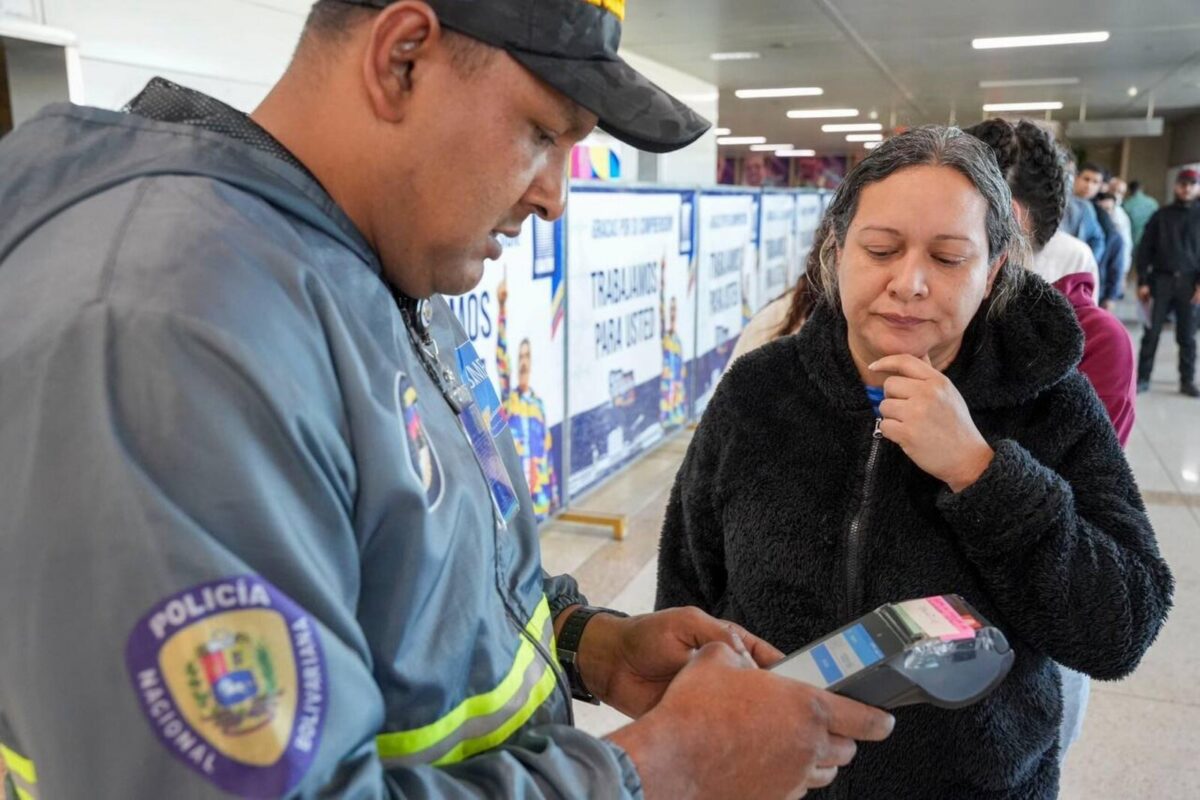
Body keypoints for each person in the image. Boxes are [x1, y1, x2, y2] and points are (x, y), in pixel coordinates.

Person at [0, 1, 897, 798]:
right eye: (544, 135)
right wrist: (668, 767)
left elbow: (413, 563)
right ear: (402, 59)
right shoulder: (172, 331)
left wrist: (587, 642)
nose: (554, 198)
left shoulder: (362, 269)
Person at [658, 126, 1173, 799]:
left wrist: (982, 473)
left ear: (993, 272)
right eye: (880, 249)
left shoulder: (1049, 404)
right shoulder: (761, 390)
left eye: (950, 257)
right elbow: (687, 594)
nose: (911, 283)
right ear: (836, 253)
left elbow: (1122, 628)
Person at [497, 279, 559, 520]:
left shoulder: (538, 406)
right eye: (520, 356)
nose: (523, 361)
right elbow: (501, 358)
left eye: (527, 356)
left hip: (540, 501)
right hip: (517, 506)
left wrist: (553, 492)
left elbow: (548, 450)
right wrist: (502, 308)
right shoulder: (508, 401)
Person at [1136, 168, 1200, 397]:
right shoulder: (1161, 215)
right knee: (1151, 332)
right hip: (1159, 281)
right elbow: (1144, 249)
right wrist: (1143, 281)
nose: (1187, 188)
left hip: (1190, 284)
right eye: (1183, 183)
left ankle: (1187, 380)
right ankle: (1142, 378)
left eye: (1192, 184)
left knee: (1187, 335)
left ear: (1197, 187)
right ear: (1176, 186)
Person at [1061, 159, 1107, 264]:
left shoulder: (1089, 208)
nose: (1089, 185)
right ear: (1076, 177)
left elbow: (1098, 240)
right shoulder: (1061, 200)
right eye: (1086, 179)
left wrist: (1086, 265)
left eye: (1095, 182)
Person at [659, 265, 688, 428]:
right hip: (667, 400)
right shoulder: (667, 338)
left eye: (674, 309)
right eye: (671, 309)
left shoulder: (677, 340)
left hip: (677, 400)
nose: (673, 313)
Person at [1094, 191, 1129, 308]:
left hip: (1101, 292)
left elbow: (1116, 268)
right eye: (1101, 209)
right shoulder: (1085, 231)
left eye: (1108, 209)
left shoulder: (1115, 237)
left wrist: (1111, 297)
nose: (1104, 213)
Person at [1107, 177, 1135, 295]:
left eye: (1120, 192)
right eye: (1113, 190)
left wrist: (1123, 274)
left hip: (1112, 265)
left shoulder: (1122, 216)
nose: (1116, 194)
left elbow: (1126, 245)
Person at [1124, 179, 1160, 252]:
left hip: (1134, 240)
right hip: (1152, 239)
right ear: (1142, 188)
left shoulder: (1126, 204)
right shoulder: (1153, 202)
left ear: (1129, 190)